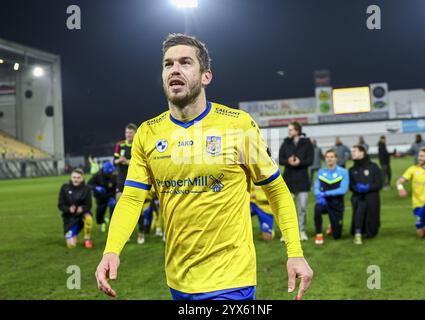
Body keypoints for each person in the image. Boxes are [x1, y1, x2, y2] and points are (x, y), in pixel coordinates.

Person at [95, 33, 312, 300]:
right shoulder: (147, 133)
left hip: (231, 279)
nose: (174, 69)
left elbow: (276, 190)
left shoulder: (238, 126)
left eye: (185, 62)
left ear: (206, 76)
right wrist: (111, 249)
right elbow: (131, 198)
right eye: (168, 64)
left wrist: (295, 252)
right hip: (178, 278)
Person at [279, 122, 314, 241]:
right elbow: (280, 159)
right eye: (288, 130)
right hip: (288, 180)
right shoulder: (285, 142)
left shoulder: (307, 143)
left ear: (297, 130)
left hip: (302, 180)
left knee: (302, 208)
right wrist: (288, 161)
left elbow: (310, 160)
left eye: (290, 130)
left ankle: (301, 231)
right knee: (286, 209)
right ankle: (286, 233)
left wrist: (300, 162)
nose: (289, 132)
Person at [313, 150, 349, 245]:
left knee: (337, 236)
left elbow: (343, 190)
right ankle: (319, 234)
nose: (329, 159)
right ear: (325, 159)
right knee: (317, 208)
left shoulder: (343, 172)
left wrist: (326, 193)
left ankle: (332, 226)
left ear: (336, 158)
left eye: (332, 157)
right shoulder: (321, 172)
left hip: (337, 203)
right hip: (324, 202)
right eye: (327, 157)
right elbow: (316, 187)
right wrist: (319, 196)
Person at [349, 145, 382, 245]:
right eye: (352, 151)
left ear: (362, 152)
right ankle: (358, 232)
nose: (352, 153)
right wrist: (357, 188)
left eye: (355, 151)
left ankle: (365, 230)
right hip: (358, 197)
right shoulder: (351, 169)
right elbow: (351, 185)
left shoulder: (373, 167)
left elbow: (379, 184)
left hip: (372, 197)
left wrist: (368, 187)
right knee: (359, 208)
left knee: (372, 232)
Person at [57, 168, 93, 249]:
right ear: (71, 177)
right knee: (71, 246)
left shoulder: (87, 188)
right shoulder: (64, 187)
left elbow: (89, 205)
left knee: (88, 218)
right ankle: (73, 233)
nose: (76, 179)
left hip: (82, 215)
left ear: (82, 178)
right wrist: (69, 209)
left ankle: (87, 239)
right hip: (69, 218)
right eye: (74, 177)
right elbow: (60, 204)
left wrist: (82, 208)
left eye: (78, 177)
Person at [88, 162, 117, 232]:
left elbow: (117, 187)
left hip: (110, 196)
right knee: (99, 218)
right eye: (108, 172)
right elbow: (88, 185)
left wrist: (114, 197)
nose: (110, 174)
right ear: (104, 170)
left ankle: (112, 225)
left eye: (111, 172)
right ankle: (102, 222)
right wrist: (96, 188)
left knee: (113, 207)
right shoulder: (97, 175)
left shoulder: (114, 176)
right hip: (100, 198)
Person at [114, 123, 137, 201]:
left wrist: (126, 161)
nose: (128, 135)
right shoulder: (120, 145)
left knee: (135, 202)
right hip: (121, 177)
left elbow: (139, 162)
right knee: (118, 198)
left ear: (135, 133)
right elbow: (114, 161)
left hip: (134, 177)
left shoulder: (138, 145)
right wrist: (119, 160)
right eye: (126, 132)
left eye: (130, 133)